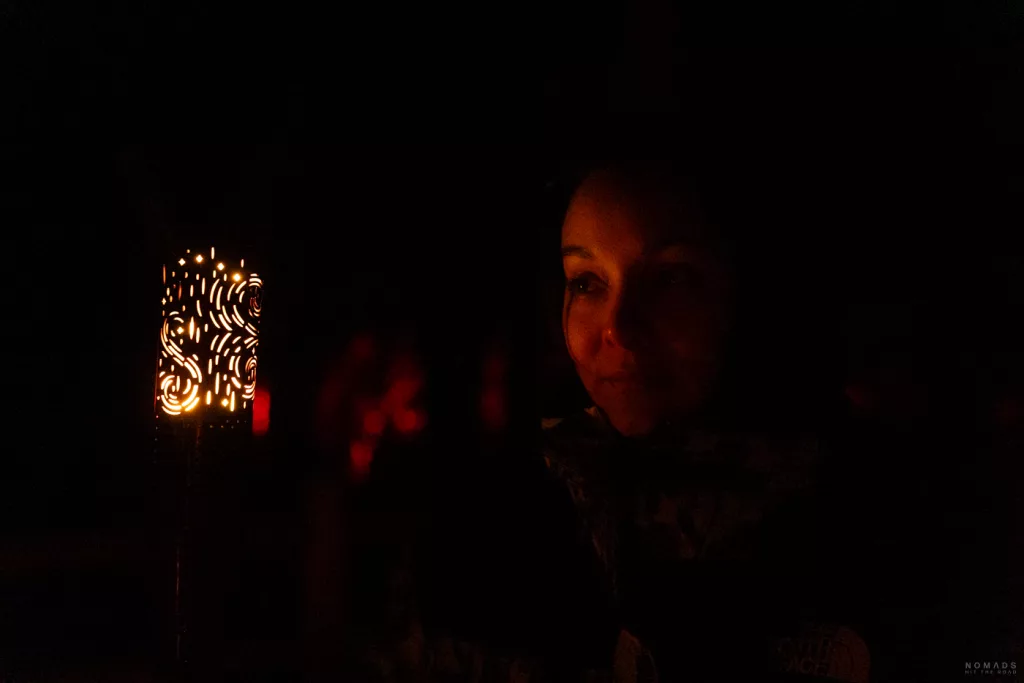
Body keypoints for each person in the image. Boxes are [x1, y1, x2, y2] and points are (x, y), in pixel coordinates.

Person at [345, 160, 873, 682]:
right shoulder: (496, 522)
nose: (618, 326)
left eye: (669, 279)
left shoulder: (864, 520)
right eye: (587, 282)